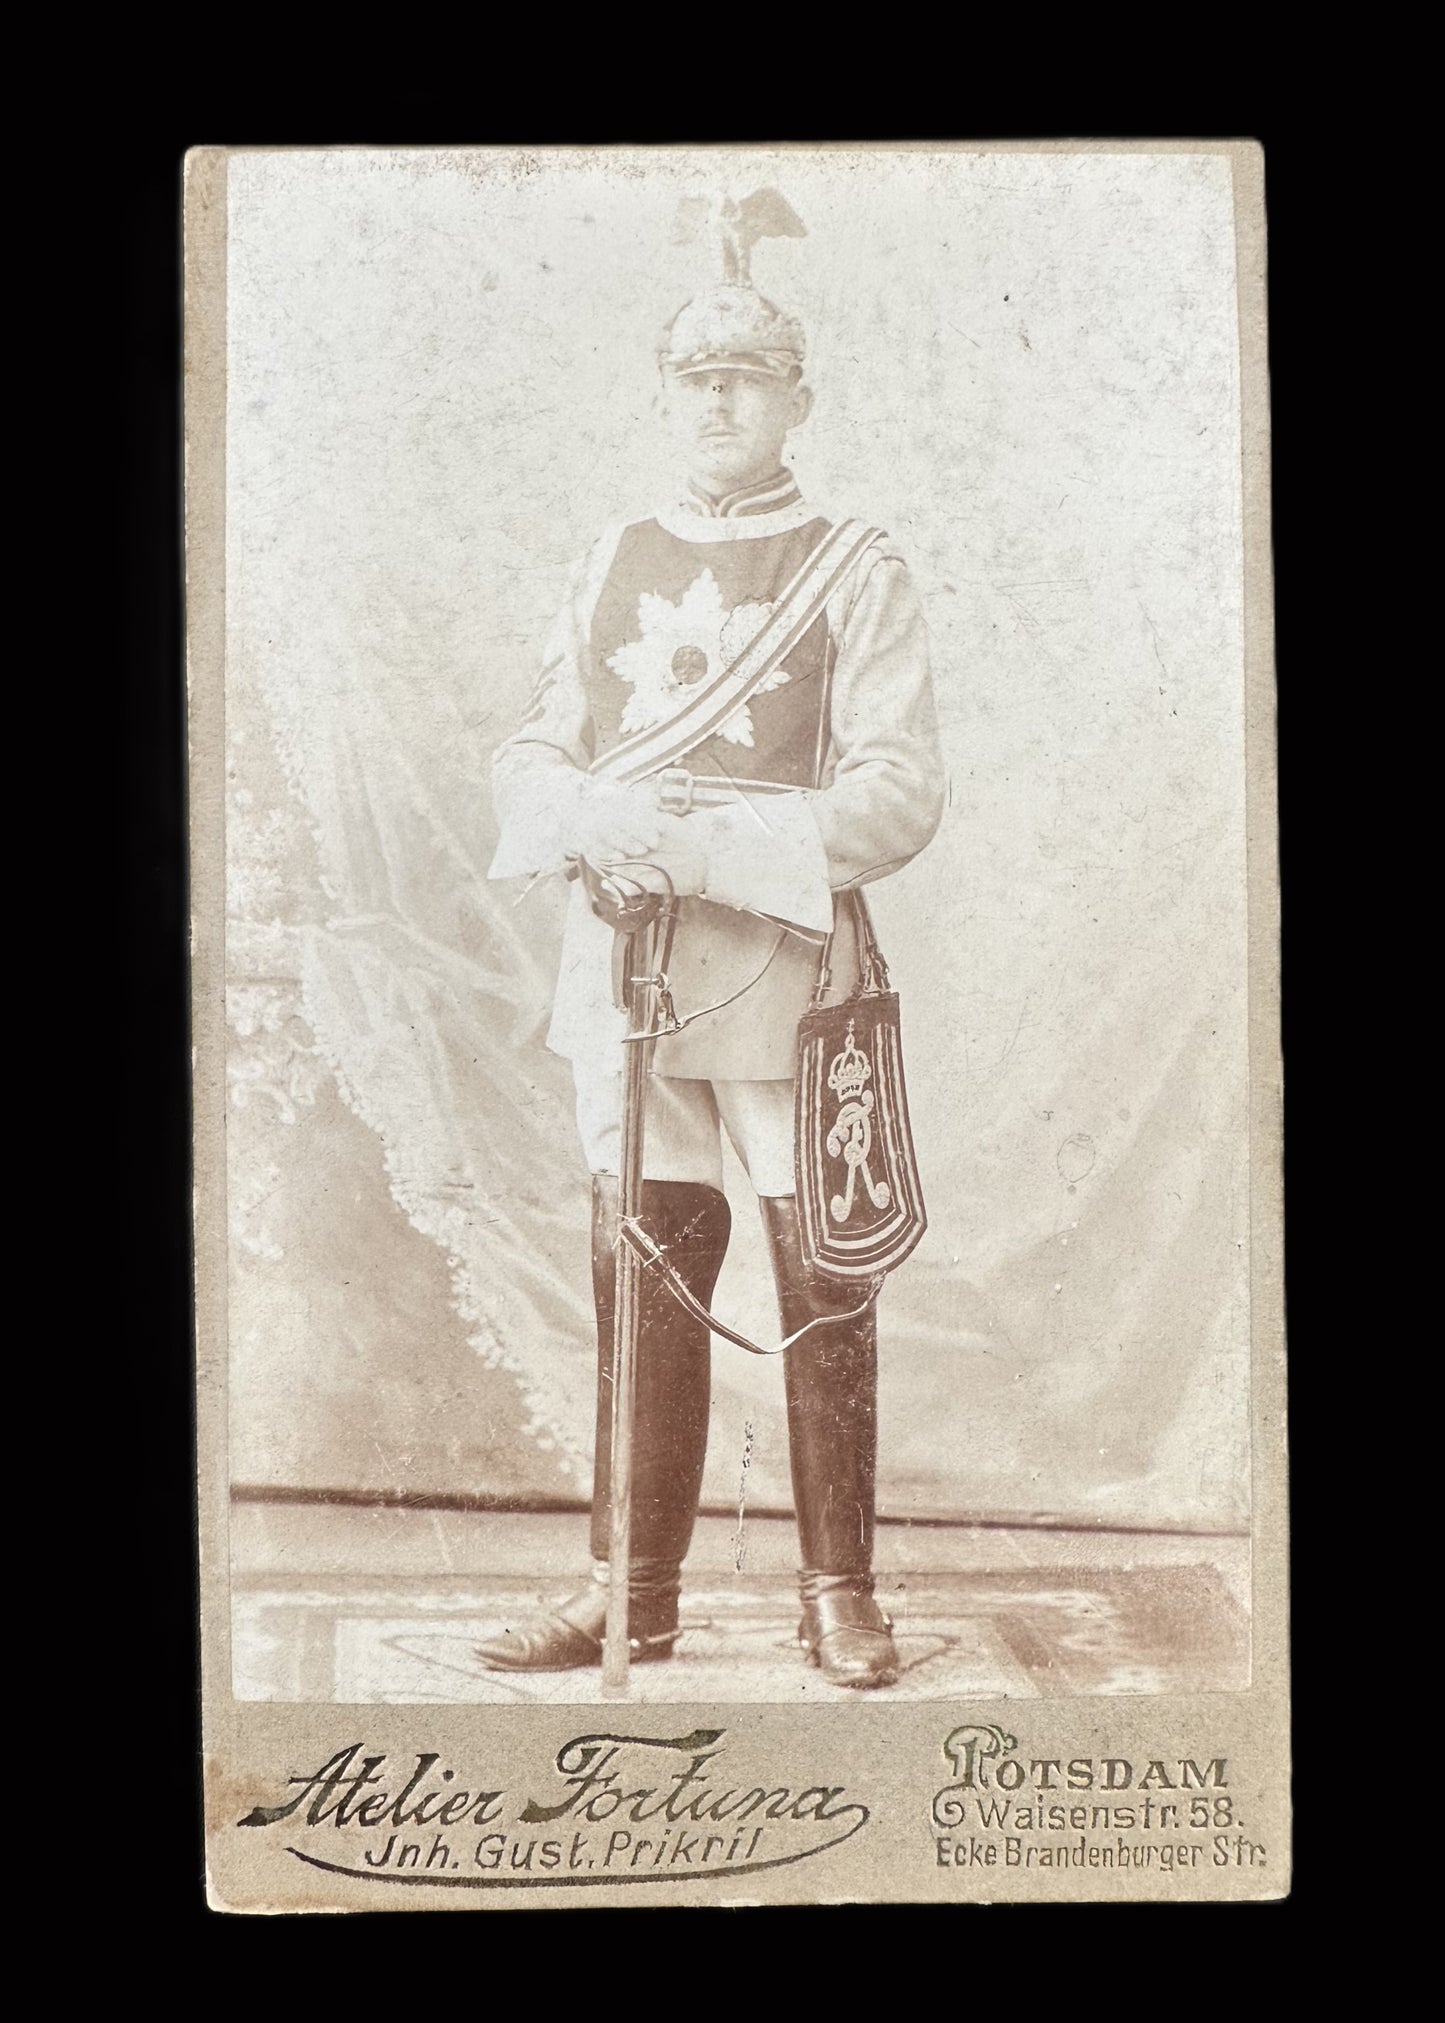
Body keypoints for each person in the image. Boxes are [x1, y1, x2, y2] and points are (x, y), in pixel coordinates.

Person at [478, 194, 944, 1689]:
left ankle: (836, 1595)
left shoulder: (853, 565)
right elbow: (538, 742)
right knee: (642, 1266)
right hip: (623, 973)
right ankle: (631, 1593)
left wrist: (690, 842)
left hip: (779, 974)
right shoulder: (610, 551)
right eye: (695, 376)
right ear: (663, 395)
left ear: (797, 398)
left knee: (819, 1275)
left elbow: (896, 792)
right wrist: (577, 820)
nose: (719, 399)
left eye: (748, 375)